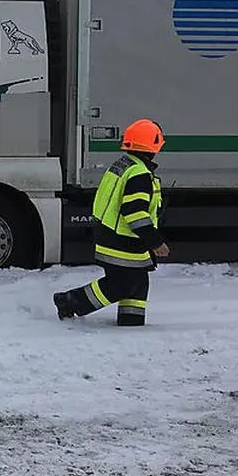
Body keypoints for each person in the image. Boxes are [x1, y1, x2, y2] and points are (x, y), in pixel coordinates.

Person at [53, 119, 169, 326]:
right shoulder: (139, 174)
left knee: (138, 283)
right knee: (123, 285)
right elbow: (134, 213)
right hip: (123, 242)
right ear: (153, 145)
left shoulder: (123, 165)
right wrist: (155, 242)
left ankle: (131, 322)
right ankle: (70, 302)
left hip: (111, 235)